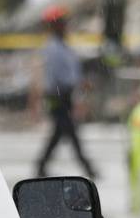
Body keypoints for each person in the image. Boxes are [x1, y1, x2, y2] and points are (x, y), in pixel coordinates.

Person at [35, 9, 96, 180]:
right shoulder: (54, 49)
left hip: (65, 96)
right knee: (69, 132)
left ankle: (41, 166)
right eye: (61, 23)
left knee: (59, 134)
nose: (65, 26)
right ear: (55, 26)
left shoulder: (63, 46)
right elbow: (60, 77)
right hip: (57, 97)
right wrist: (79, 83)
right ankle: (88, 167)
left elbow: (71, 72)